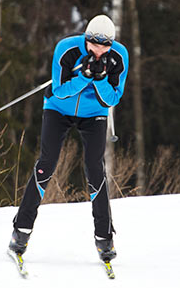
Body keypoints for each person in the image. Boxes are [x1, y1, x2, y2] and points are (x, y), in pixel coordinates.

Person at [9, 14, 129, 262]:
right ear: (86, 39)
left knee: (95, 168)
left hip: (94, 112)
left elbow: (113, 99)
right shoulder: (66, 49)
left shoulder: (119, 56)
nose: (99, 51)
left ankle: (104, 238)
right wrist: (83, 77)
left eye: (105, 46)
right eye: (94, 45)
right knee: (47, 164)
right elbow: (60, 91)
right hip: (58, 108)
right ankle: (21, 230)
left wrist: (100, 80)